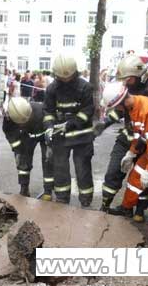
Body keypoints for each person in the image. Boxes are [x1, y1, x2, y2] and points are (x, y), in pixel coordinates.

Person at [94, 54, 148, 222]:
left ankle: (139, 211)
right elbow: (119, 109)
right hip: (128, 137)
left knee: (143, 179)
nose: (124, 83)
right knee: (114, 171)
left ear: (139, 75)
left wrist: (138, 149)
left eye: (128, 79)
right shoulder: (127, 89)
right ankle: (105, 205)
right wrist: (104, 123)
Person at [102, 82, 148, 247]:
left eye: (116, 107)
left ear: (121, 102)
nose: (117, 111)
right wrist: (132, 152)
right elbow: (140, 135)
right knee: (134, 178)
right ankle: (126, 208)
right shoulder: (134, 107)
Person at [43, 54, 95, 207]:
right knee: (60, 168)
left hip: (82, 136)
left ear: (75, 72)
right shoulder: (52, 88)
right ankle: (62, 198)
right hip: (60, 136)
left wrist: (71, 123)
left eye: (69, 77)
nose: (65, 79)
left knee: (82, 168)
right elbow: (48, 111)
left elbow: (88, 111)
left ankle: (86, 200)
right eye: (62, 77)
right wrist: (49, 127)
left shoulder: (85, 87)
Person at [3, 97, 54, 200]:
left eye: (26, 121)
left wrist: (50, 144)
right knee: (23, 160)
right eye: (20, 123)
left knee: (48, 160)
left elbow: (50, 123)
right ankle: (24, 188)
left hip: (44, 135)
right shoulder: (9, 117)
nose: (23, 124)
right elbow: (10, 133)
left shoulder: (41, 110)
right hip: (27, 136)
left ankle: (48, 191)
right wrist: (17, 149)